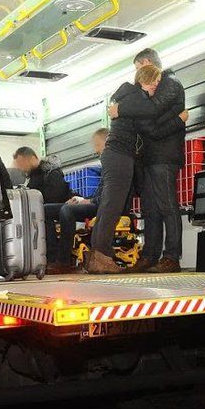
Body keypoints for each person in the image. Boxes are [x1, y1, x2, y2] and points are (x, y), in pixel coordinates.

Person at [87, 64, 176, 274]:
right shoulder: (136, 96)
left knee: (109, 206)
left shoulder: (128, 96)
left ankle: (97, 257)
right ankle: (102, 255)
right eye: (154, 80)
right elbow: (152, 116)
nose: (156, 85)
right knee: (112, 207)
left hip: (116, 154)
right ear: (144, 79)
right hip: (120, 155)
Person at [126, 48, 188, 274]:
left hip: (164, 156)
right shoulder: (160, 87)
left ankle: (171, 257)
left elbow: (150, 113)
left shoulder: (170, 83)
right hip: (151, 157)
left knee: (167, 205)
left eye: (138, 68)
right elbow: (149, 119)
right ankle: (150, 255)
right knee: (151, 208)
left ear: (145, 62)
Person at [47, 128, 107, 273]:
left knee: (67, 210)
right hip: (96, 201)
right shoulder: (106, 163)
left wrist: (89, 201)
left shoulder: (114, 162)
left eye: (97, 144)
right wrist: (83, 199)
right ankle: (51, 257)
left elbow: (111, 195)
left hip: (104, 205)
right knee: (44, 210)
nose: (95, 149)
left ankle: (64, 261)